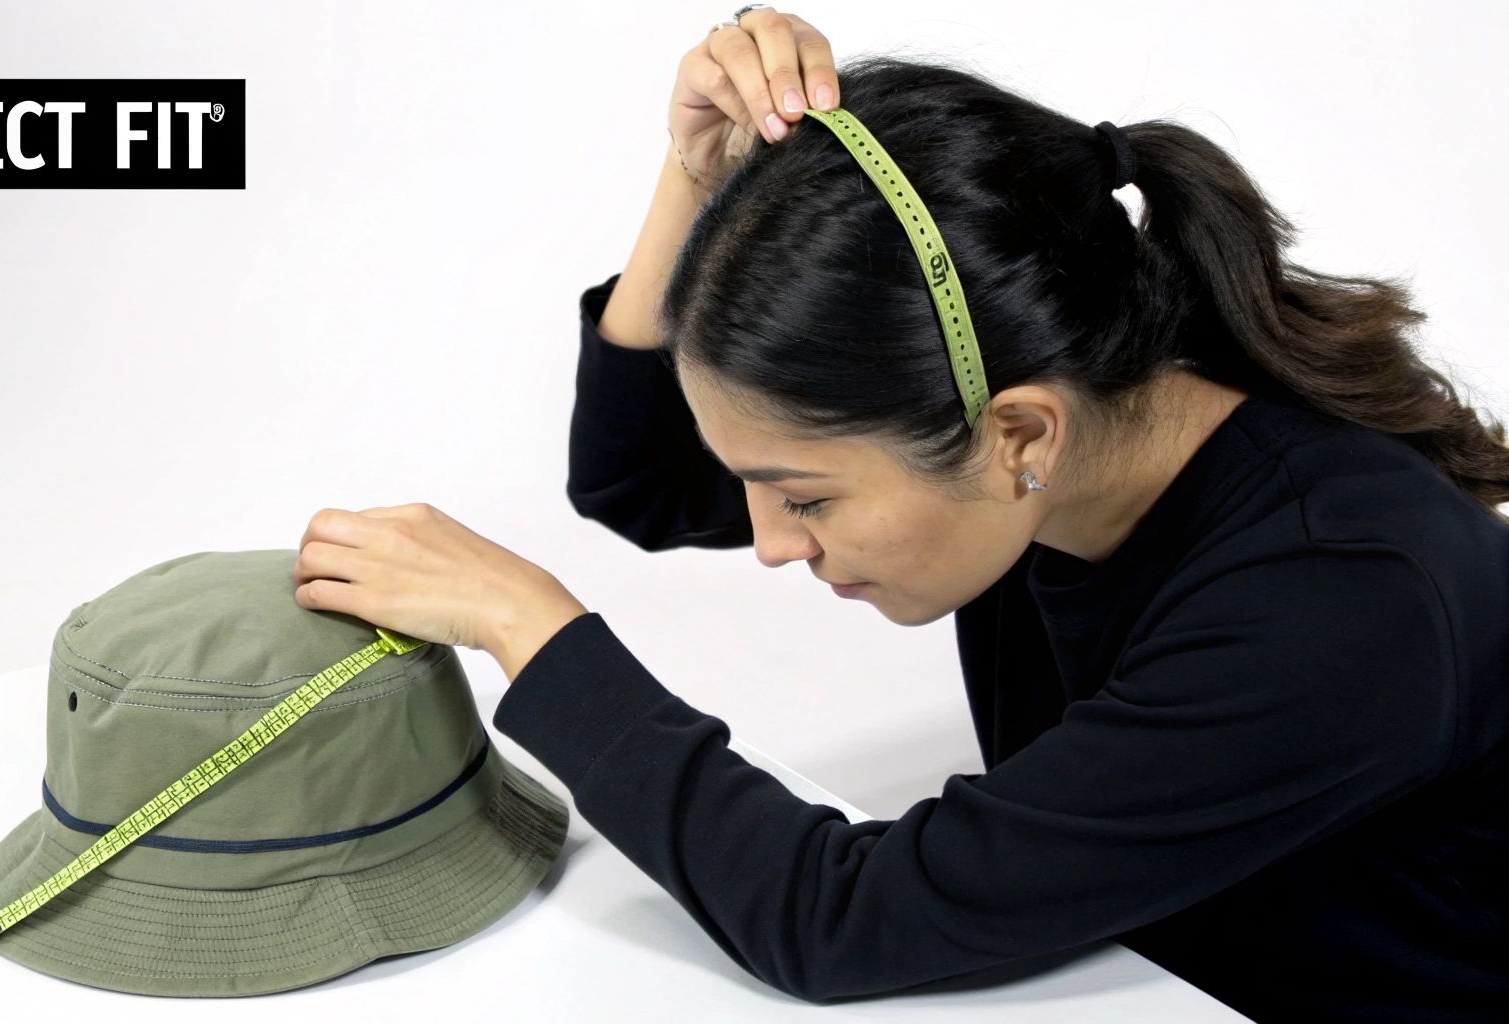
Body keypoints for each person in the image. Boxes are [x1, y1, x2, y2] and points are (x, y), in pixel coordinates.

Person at [292, 8, 1509, 1019]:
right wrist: (697, 179)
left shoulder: (1337, 599)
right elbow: (643, 479)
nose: (770, 541)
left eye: (805, 496)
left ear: (1018, 434)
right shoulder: (1066, 396)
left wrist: (531, 630)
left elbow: (842, 919)